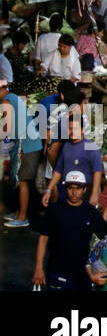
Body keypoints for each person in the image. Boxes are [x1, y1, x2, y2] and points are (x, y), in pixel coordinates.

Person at [32, 170, 107, 290]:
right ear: (65, 188)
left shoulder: (91, 212)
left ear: (84, 189)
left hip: (82, 273)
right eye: (70, 188)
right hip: (57, 270)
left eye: (78, 188)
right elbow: (43, 238)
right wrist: (38, 268)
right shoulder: (54, 210)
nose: (74, 192)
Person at [1, 76, 43, 228]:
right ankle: (19, 212)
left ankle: (23, 217)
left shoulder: (6, 101)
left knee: (23, 181)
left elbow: (7, 128)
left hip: (27, 145)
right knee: (22, 180)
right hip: (30, 143)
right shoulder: (13, 97)